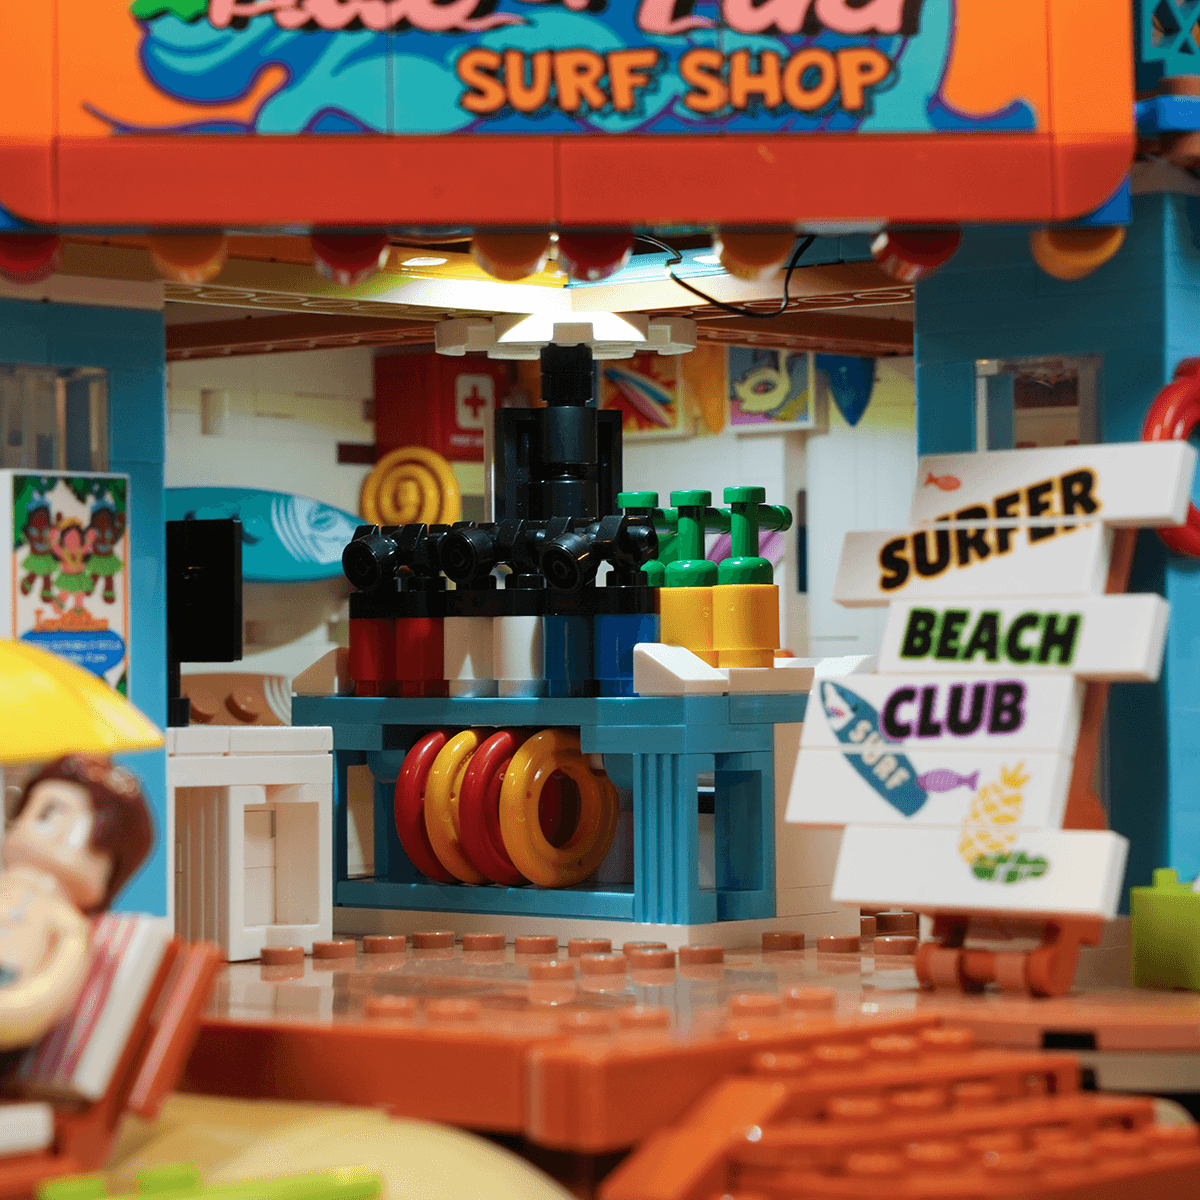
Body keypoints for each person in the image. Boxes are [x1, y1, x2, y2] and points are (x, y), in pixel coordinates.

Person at [0, 756, 153, 1050]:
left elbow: (49, 990)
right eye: (42, 813)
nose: (56, 836)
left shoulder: (67, 926)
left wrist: (11, 1012)